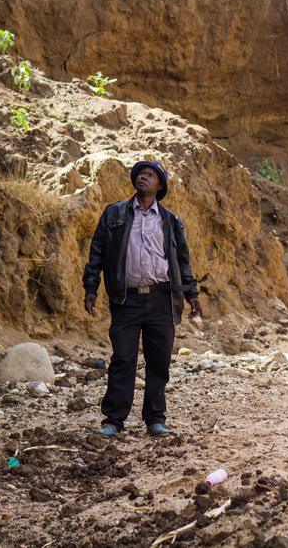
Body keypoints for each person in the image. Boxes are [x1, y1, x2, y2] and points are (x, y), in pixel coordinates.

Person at [82, 160, 203, 437]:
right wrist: (91, 286)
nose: (143, 178)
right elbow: (97, 252)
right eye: (140, 174)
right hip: (126, 300)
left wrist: (192, 294)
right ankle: (113, 420)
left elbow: (182, 261)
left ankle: (155, 420)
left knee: (158, 362)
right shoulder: (114, 214)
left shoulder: (170, 221)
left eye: (150, 175)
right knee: (123, 359)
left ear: (160, 185)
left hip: (162, 299)